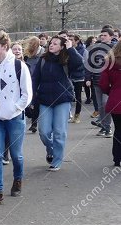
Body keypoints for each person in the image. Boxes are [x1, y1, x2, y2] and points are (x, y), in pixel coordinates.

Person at [0, 31, 32, 204]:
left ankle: (18, 179)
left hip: (15, 118)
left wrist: (15, 108)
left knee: (16, 155)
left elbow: (27, 94)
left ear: (5, 46)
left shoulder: (19, 66)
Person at [31, 35, 84, 171]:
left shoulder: (67, 59)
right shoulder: (43, 59)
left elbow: (79, 63)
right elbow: (35, 78)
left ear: (61, 47)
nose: (51, 45)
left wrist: (70, 49)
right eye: (51, 43)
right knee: (44, 131)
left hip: (63, 99)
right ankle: (51, 149)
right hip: (45, 99)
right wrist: (32, 96)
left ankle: (57, 160)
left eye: (55, 43)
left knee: (59, 132)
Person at [86, 28, 114, 136]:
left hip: (110, 83)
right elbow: (89, 64)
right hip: (97, 81)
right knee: (100, 106)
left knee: (105, 103)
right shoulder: (95, 48)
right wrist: (88, 78)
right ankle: (103, 126)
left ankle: (108, 127)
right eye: (101, 35)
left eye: (105, 35)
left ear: (111, 37)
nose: (102, 37)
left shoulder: (114, 48)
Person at [99, 40, 121, 166]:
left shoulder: (110, 62)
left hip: (115, 99)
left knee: (118, 129)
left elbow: (103, 84)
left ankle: (117, 158)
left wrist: (111, 92)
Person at [23, 36, 43, 133]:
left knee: (36, 102)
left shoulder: (43, 54)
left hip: (38, 81)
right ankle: (31, 117)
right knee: (29, 103)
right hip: (28, 80)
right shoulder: (26, 55)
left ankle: (34, 123)